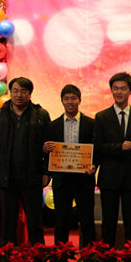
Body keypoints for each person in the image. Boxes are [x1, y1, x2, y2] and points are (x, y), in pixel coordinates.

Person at [0, 77, 51, 245]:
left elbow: (49, 146)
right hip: (6, 177)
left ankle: (38, 256)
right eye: (15, 91)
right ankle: (8, 257)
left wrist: (46, 172)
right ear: (10, 92)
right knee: (8, 222)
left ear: (30, 94)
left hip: (32, 176)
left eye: (23, 91)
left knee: (35, 222)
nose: (19, 95)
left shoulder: (41, 115)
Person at [93, 72, 131, 246]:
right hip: (109, 176)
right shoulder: (101, 117)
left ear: (130, 91)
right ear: (111, 90)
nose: (119, 92)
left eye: (123, 88)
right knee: (108, 221)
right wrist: (119, 147)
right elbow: (98, 147)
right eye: (115, 88)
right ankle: (107, 257)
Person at [43, 84, 96, 248]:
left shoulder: (91, 124)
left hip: (84, 179)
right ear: (61, 101)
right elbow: (47, 153)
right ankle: (61, 256)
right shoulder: (53, 125)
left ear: (80, 100)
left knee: (87, 220)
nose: (70, 102)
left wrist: (94, 165)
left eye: (73, 98)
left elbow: (97, 149)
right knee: (61, 221)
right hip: (62, 180)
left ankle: (89, 256)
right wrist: (45, 149)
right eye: (66, 98)